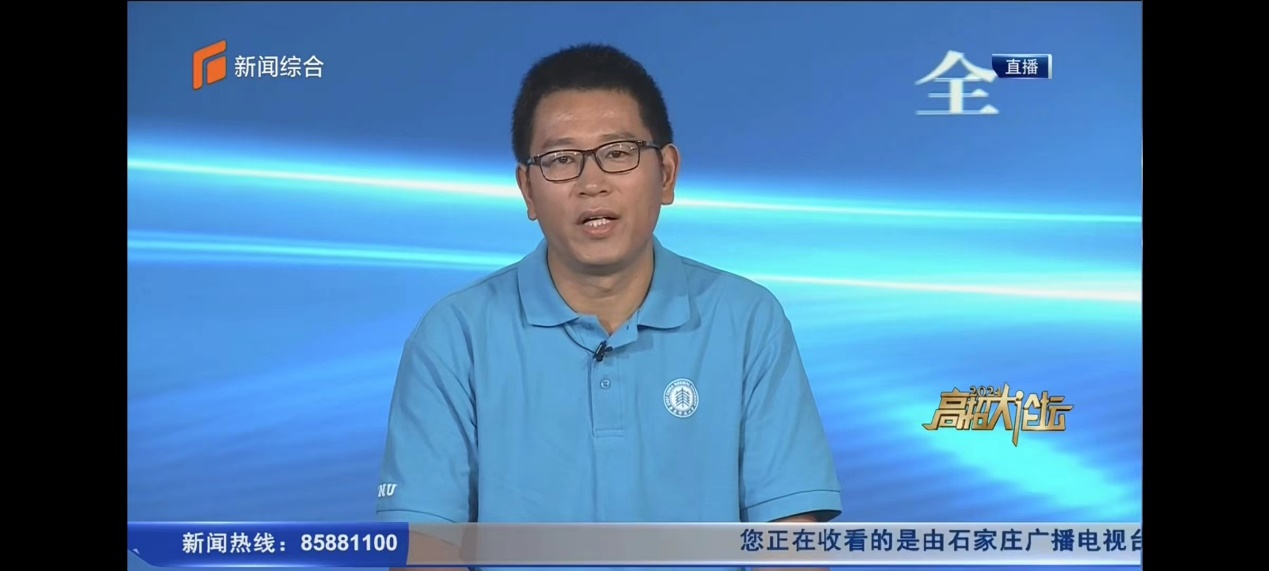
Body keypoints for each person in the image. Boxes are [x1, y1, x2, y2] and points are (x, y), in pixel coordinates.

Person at [376, 43, 841, 569]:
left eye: (618, 153)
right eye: (561, 160)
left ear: (666, 173)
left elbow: (791, 545)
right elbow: (426, 551)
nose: (592, 184)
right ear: (527, 189)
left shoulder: (747, 321)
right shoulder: (454, 337)